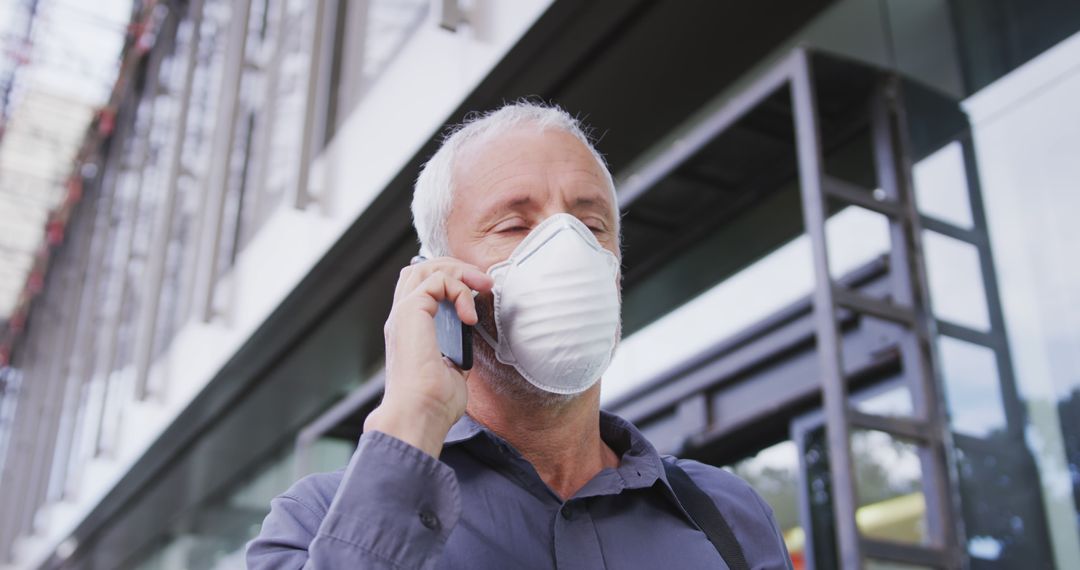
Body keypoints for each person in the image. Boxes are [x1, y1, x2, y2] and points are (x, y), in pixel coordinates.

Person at [247, 102, 793, 569]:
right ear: (437, 280)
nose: (568, 249)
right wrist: (413, 415)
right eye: (513, 225)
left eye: (593, 226)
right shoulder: (316, 522)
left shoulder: (726, 515)